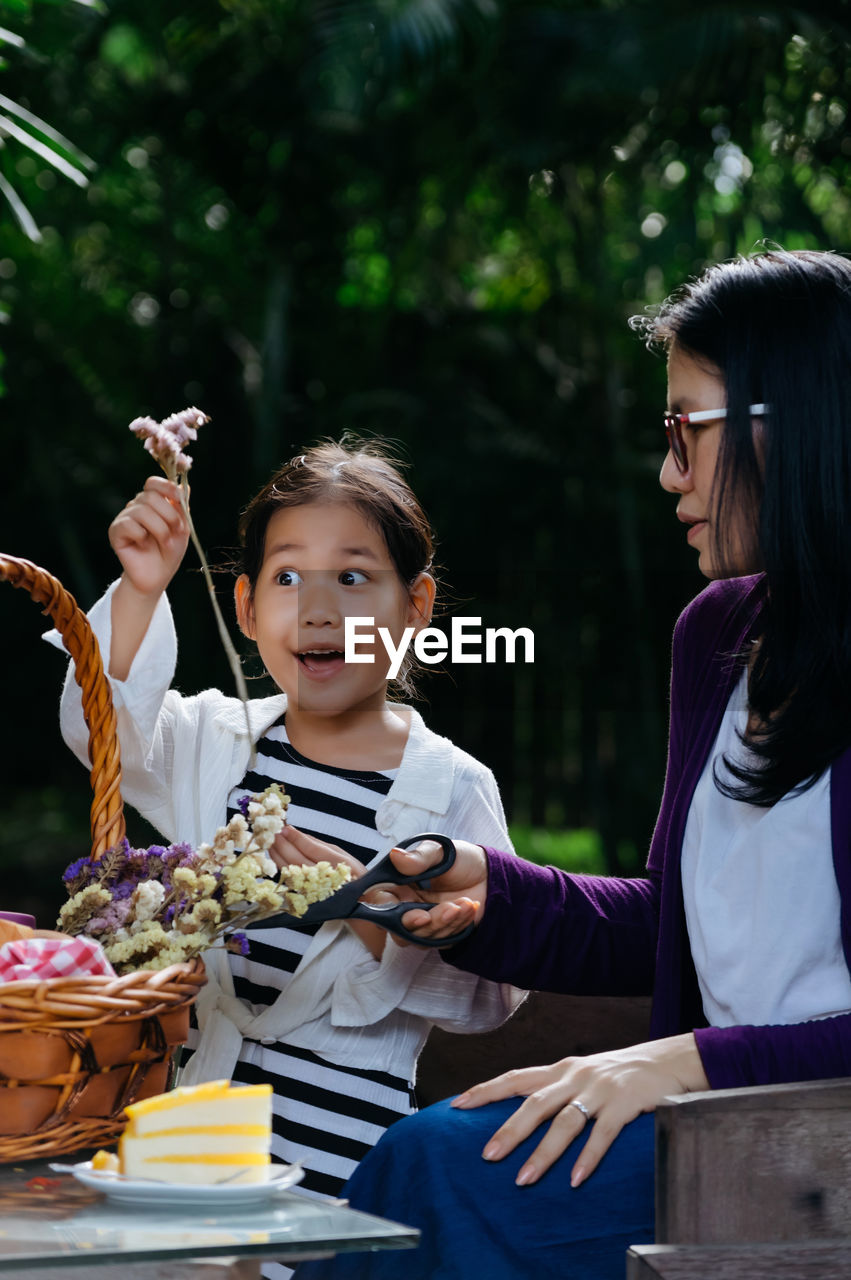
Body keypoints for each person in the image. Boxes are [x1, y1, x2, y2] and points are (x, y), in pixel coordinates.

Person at [293, 248, 851, 1280]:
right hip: (710, 1122)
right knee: (431, 1158)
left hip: (809, 1145)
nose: (666, 474)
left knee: (433, 1171)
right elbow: (676, 928)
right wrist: (487, 892)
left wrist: (677, 1061)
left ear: (794, 425)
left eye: (685, 430)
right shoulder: (718, 636)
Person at [53, 439, 522, 1269]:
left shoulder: (450, 787)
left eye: (352, 576)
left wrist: (374, 911)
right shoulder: (213, 737)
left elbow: (493, 994)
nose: (316, 609)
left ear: (415, 606)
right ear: (243, 608)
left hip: (344, 1167)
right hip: (188, 1146)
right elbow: (104, 737)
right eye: (285, 577)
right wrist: (141, 584)